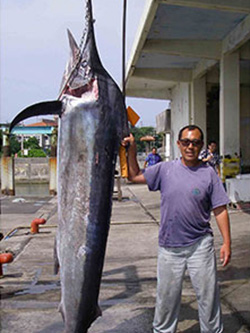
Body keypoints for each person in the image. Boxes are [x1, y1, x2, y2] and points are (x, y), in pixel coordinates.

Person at [122, 125, 231, 333]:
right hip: (169, 246)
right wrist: (132, 148)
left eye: (196, 142)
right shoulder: (165, 169)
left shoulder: (209, 174)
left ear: (201, 146)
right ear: (179, 144)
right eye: (187, 142)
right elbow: (134, 176)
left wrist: (227, 242)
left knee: (208, 298)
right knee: (166, 299)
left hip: (201, 245)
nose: (191, 147)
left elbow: (220, 209)